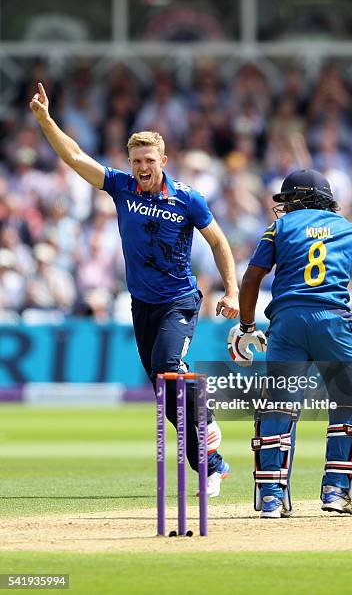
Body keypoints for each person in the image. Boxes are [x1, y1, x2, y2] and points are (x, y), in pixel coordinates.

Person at [30, 82, 239, 496]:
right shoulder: (123, 187)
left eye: (149, 160)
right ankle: (213, 466)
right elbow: (74, 157)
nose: (142, 167)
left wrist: (230, 291)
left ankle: (208, 418)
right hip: (141, 305)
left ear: (163, 160)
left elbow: (218, 241)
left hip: (179, 301)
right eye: (136, 160)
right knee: (166, 394)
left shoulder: (187, 199)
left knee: (169, 367)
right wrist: (46, 120)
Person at [228, 169, 352, 517]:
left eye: (288, 200)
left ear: (303, 198)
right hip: (333, 323)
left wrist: (247, 326)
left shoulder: (279, 228)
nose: (283, 208)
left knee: (279, 406)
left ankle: (271, 497)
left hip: (287, 324)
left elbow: (252, 277)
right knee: (350, 403)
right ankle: (336, 493)